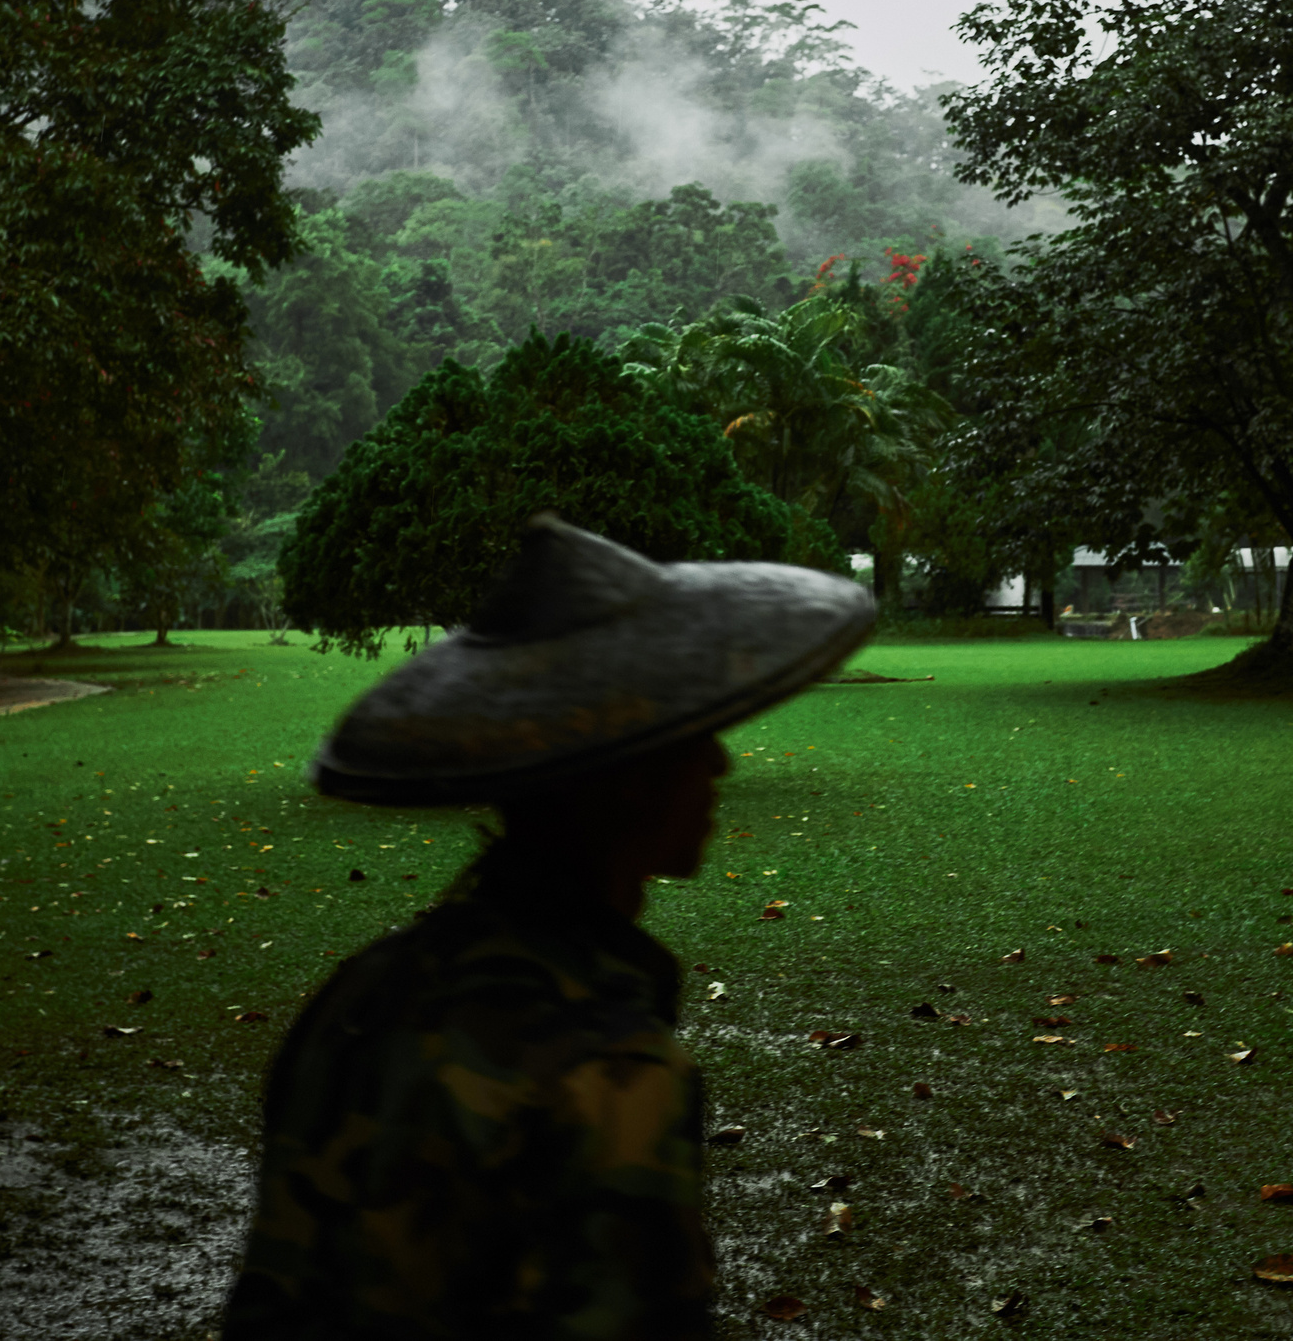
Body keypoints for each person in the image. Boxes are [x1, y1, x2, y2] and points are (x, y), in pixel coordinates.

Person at [221, 514, 874, 1339]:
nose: (720, 765)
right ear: (620, 780)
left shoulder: (363, 991)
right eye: (688, 736)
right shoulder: (610, 1069)